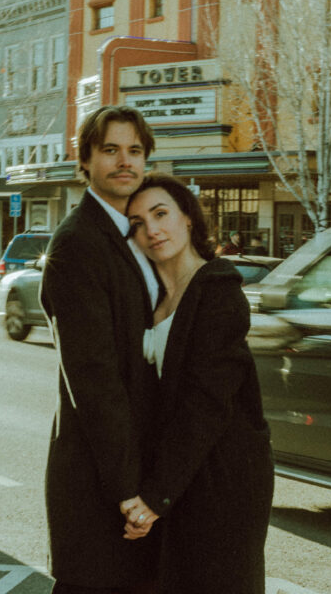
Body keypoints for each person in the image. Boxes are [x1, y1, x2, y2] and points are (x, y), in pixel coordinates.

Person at [121, 174, 274, 594]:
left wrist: (154, 498)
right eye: (136, 223)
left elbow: (206, 404)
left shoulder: (218, 291)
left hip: (220, 486)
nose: (151, 230)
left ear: (188, 218)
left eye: (160, 214)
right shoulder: (149, 299)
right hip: (178, 479)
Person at [40, 105, 160, 594]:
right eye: (110, 150)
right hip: (100, 478)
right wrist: (127, 489)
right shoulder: (77, 243)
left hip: (142, 468)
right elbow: (93, 379)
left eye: (134, 150)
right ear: (85, 159)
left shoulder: (141, 233)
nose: (124, 161)